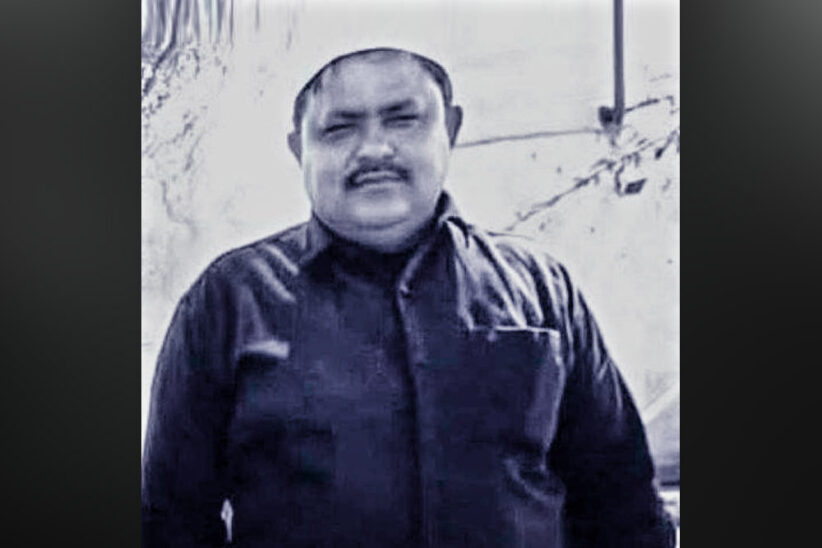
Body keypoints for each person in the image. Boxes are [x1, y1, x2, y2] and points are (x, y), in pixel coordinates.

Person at [142, 47, 676, 547]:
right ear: (299, 148)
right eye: (340, 127)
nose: (374, 150)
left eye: (402, 119)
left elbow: (622, 506)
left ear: (451, 129)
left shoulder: (540, 291)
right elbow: (169, 520)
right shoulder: (230, 302)